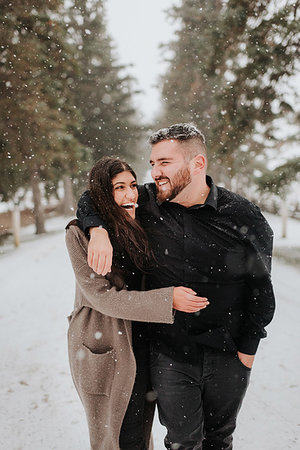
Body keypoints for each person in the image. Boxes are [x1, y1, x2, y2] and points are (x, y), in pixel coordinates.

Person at [76, 124, 276, 450]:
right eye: (153, 163)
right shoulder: (148, 202)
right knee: (183, 443)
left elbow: (261, 290)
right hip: (170, 354)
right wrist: (96, 229)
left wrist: (246, 353)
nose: (155, 172)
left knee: (219, 441)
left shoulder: (243, 215)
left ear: (198, 164)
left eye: (164, 163)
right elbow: (94, 197)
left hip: (227, 355)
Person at [66, 156, 208, 450]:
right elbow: (103, 299)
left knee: (140, 431)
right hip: (106, 341)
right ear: (104, 194)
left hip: (143, 337)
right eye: (118, 188)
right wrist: (97, 230)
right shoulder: (78, 235)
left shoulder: (138, 215)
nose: (130, 194)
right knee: (116, 435)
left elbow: (92, 196)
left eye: (132, 185)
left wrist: (100, 227)